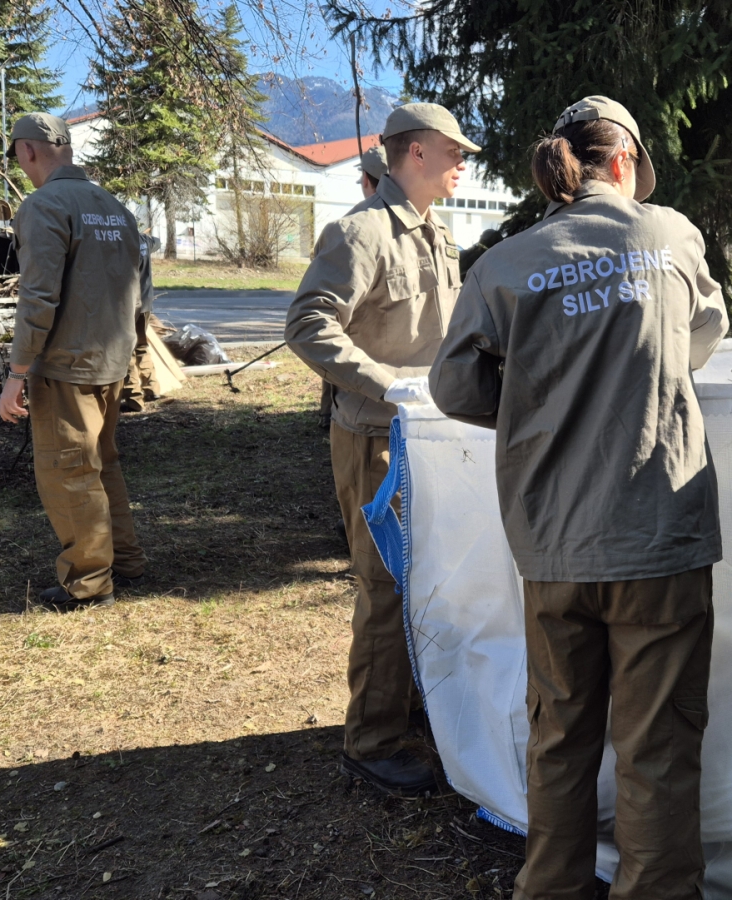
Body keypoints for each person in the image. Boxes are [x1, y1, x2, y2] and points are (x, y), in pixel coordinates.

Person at [431, 95, 728, 900]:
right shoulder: (669, 235)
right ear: (625, 164)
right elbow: (703, 336)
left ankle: (549, 888)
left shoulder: (504, 263)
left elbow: (454, 383)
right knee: (657, 745)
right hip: (656, 534)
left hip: (553, 542)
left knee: (558, 734)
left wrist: (537, 401)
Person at [285, 102, 479, 796]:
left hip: (432, 437)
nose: (464, 161)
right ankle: (371, 739)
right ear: (415, 152)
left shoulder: (438, 234)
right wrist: (389, 386)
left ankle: (411, 707)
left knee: (429, 578)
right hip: (375, 437)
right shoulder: (360, 233)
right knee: (386, 584)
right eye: (453, 150)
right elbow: (307, 324)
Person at [0, 112, 153, 609]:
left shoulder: (44, 206)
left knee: (69, 472)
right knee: (102, 464)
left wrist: (17, 372)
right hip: (110, 359)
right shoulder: (113, 206)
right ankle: (122, 560)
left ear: (27, 151)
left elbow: (37, 297)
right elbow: (140, 291)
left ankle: (88, 582)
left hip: (66, 365)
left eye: (16, 157)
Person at [317, 144, 395, 433]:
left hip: (363, 407)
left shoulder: (348, 229)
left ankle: (329, 416)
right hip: (374, 412)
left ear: (366, 180)